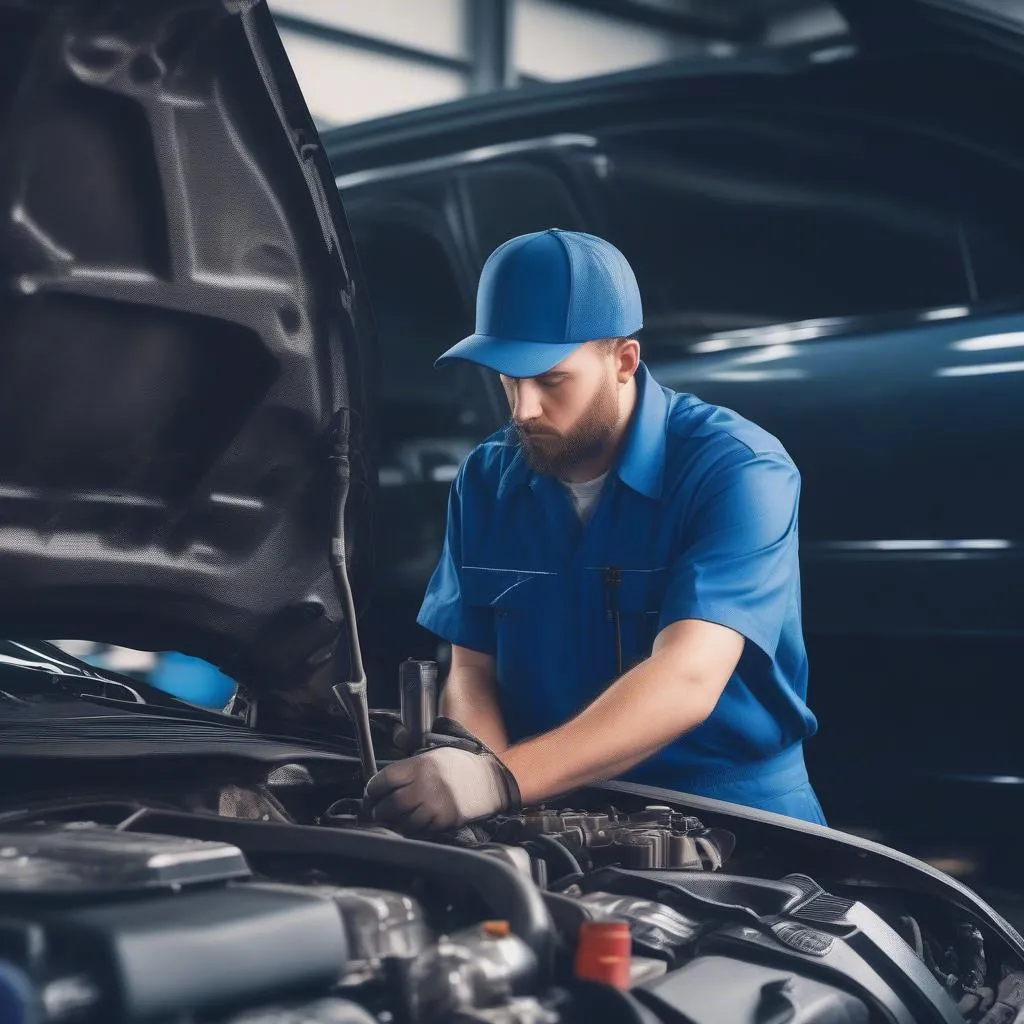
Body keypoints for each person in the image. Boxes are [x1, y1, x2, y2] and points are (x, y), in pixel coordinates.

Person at [364, 228, 824, 834]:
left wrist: (499, 781)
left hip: (732, 821)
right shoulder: (485, 480)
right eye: (507, 378)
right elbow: (472, 670)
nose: (524, 409)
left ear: (624, 361)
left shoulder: (736, 469)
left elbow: (687, 678)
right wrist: (481, 780)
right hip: (546, 814)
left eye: (551, 380)